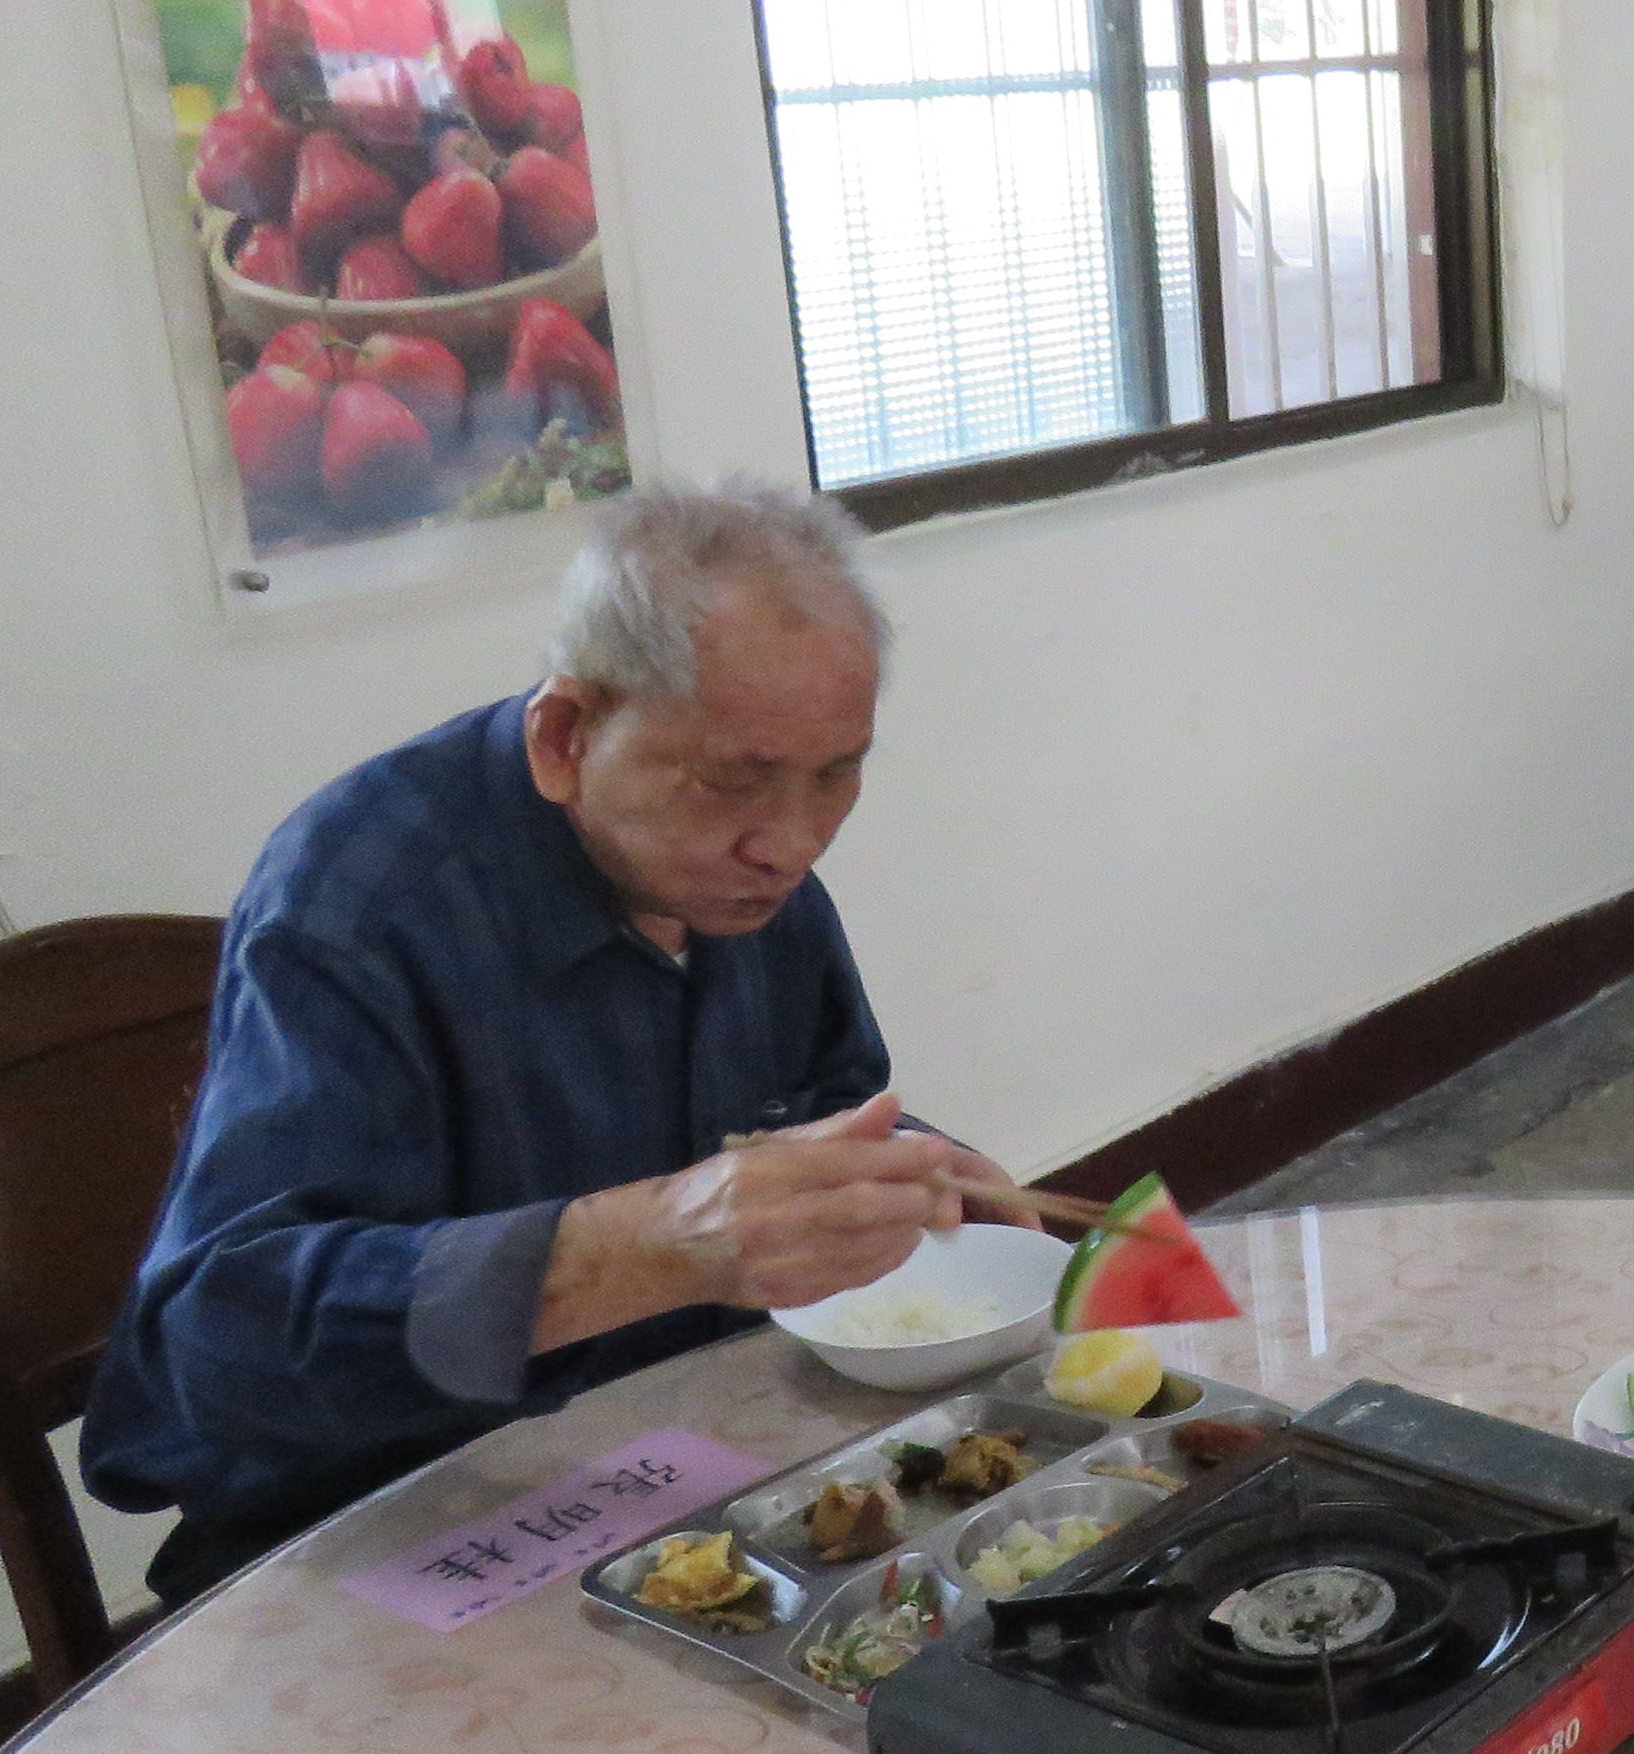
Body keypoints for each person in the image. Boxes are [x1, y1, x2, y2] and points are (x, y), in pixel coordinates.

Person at [86, 486, 1014, 1602]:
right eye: (733, 780)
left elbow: (804, 1108)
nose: (792, 842)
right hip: (379, 1531)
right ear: (566, 737)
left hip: (665, 1468)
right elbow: (225, 1337)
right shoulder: (361, 902)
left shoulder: (748, 886)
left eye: (837, 773)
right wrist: (648, 1245)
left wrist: (883, 1170)